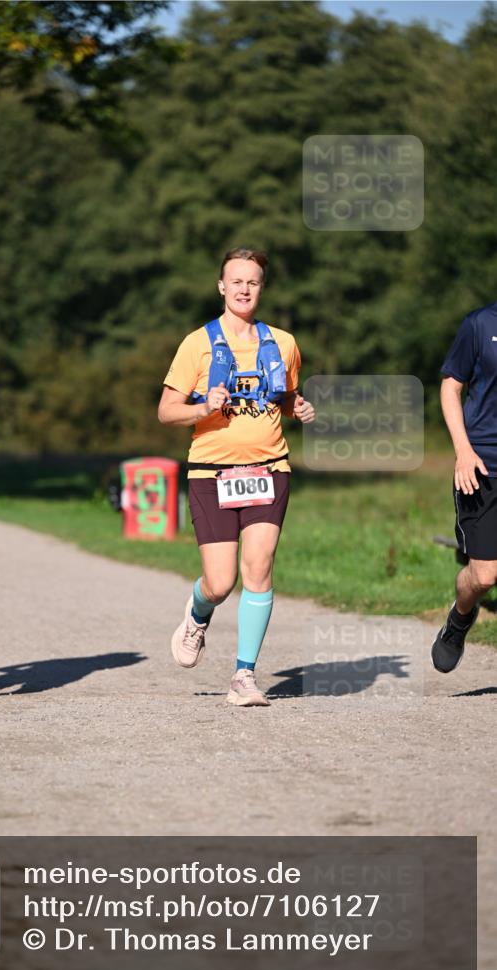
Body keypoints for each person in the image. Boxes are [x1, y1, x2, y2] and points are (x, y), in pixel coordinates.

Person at [158, 247, 315, 706]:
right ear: (222, 286)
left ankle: (243, 676)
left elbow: (284, 396)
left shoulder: (283, 342)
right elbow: (166, 411)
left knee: (259, 569)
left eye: (254, 282)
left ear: (261, 288)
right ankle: (197, 613)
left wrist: (297, 407)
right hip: (212, 471)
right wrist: (200, 407)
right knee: (221, 582)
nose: (245, 289)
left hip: (269, 468)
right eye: (237, 281)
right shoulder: (197, 343)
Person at [431, 301, 497, 672]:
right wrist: (463, 451)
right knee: (484, 574)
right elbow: (450, 387)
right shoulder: (479, 324)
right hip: (483, 464)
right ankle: (459, 619)